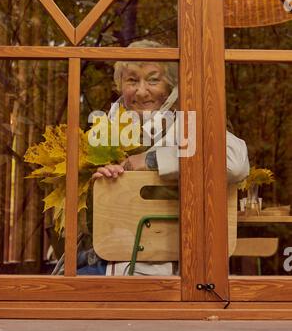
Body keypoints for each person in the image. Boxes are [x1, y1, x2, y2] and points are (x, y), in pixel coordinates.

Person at [54, 40, 249, 276]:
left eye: (153, 80)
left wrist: (150, 161)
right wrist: (101, 184)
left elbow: (235, 163)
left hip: (162, 268)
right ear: (120, 85)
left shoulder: (187, 121)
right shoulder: (104, 127)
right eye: (132, 81)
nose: (142, 91)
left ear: (170, 86)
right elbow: (75, 214)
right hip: (98, 259)